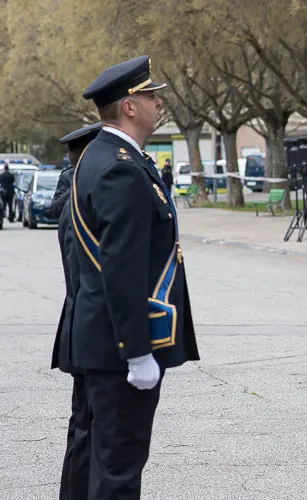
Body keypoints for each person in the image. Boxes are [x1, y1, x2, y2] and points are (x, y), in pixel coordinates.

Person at [71, 55, 200, 499]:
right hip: (118, 349)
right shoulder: (120, 167)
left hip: (102, 339)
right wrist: (137, 352)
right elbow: (121, 267)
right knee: (118, 472)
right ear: (129, 106)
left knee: (98, 463)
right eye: (150, 96)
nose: (158, 103)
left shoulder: (103, 156)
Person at [49, 121, 102, 500]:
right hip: (90, 331)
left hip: (85, 328)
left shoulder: (82, 194)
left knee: (85, 428)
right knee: (87, 430)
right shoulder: (79, 199)